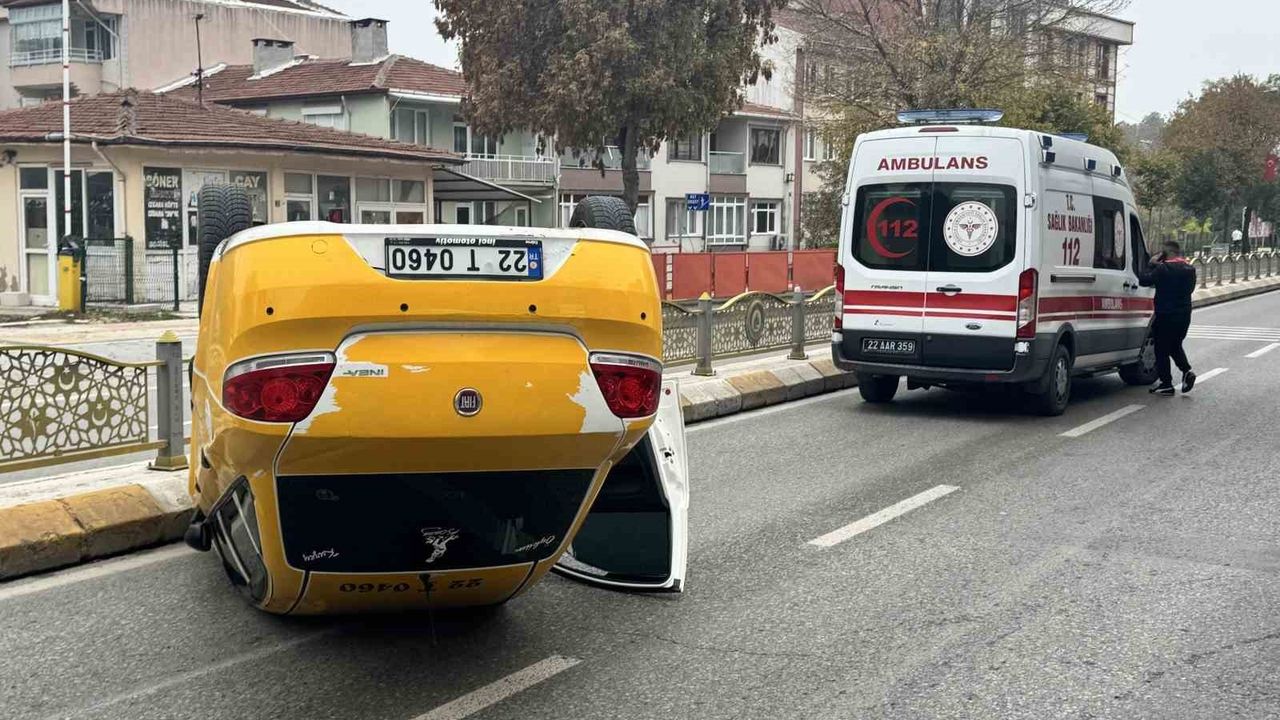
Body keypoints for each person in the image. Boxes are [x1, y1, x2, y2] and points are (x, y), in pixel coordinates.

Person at [1139, 240, 1197, 395]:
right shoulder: (1190, 269)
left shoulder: (1163, 269)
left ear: (1166, 253)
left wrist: (1151, 264)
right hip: (1184, 315)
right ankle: (1186, 371)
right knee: (1175, 345)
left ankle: (1166, 383)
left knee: (1161, 349)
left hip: (1166, 315)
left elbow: (1143, 280)